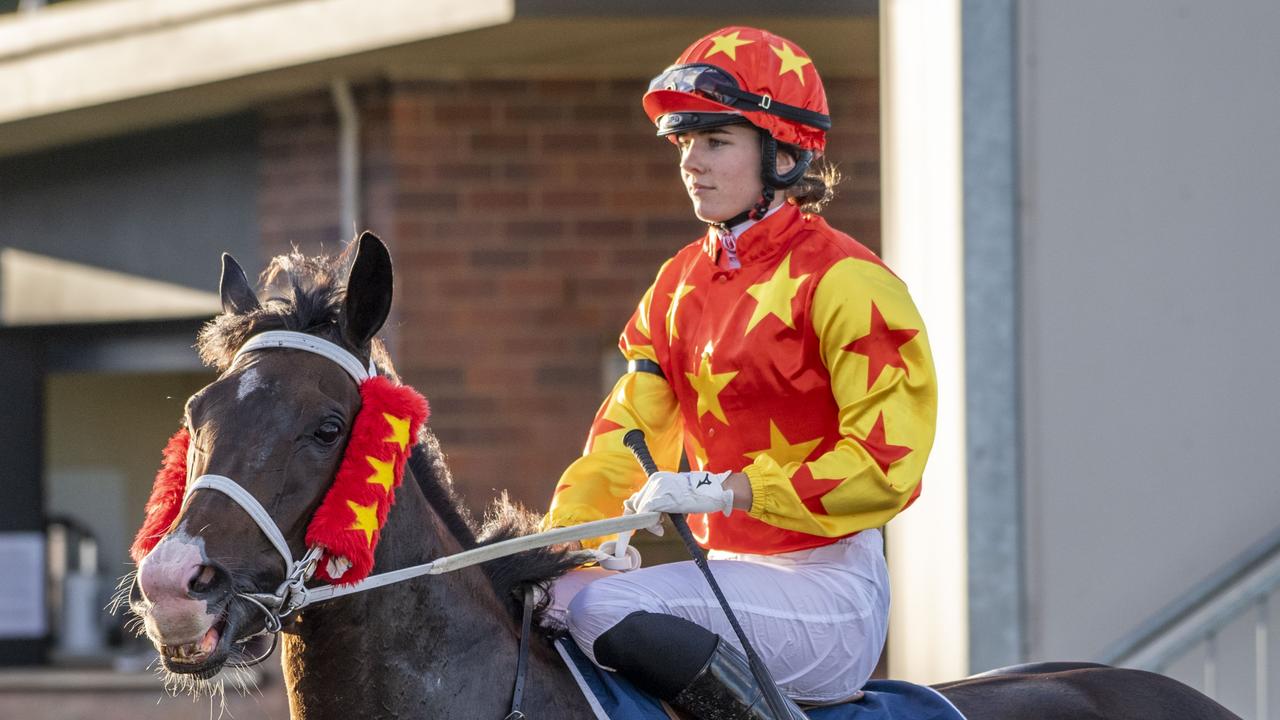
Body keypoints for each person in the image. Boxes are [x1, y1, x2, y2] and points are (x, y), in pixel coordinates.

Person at [540, 25, 938, 720]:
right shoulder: (675, 286)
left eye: (716, 142)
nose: (691, 162)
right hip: (726, 578)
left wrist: (731, 491)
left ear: (784, 153)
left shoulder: (848, 280)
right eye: (684, 143)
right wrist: (566, 544)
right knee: (555, 598)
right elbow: (623, 440)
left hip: (829, 591)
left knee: (601, 608)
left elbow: (886, 463)